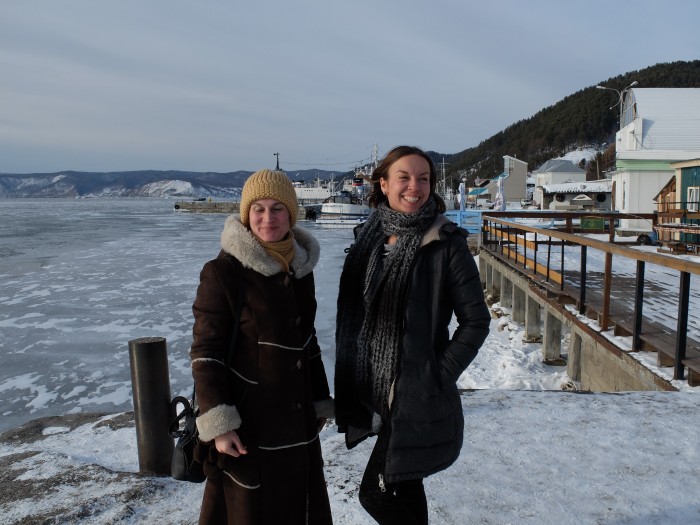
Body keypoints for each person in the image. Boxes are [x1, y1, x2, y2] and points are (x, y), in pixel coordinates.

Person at [334, 146, 491, 524]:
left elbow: (476, 322)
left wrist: (436, 375)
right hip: (374, 389)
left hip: (414, 395)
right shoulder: (368, 239)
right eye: (404, 177)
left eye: (423, 178)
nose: (414, 187)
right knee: (403, 488)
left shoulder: (446, 243)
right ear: (384, 184)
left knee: (378, 493)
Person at [190, 169, 334, 525]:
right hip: (249, 426)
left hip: (297, 422)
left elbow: (308, 340)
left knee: (298, 509)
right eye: (258, 209)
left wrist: (318, 399)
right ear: (245, 214)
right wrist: (219, 423)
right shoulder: (223, 273)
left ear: (291, 214)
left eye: (277, 209)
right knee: (250, 513)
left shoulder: (300, 269)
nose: (267, 218)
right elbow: (206, 353)